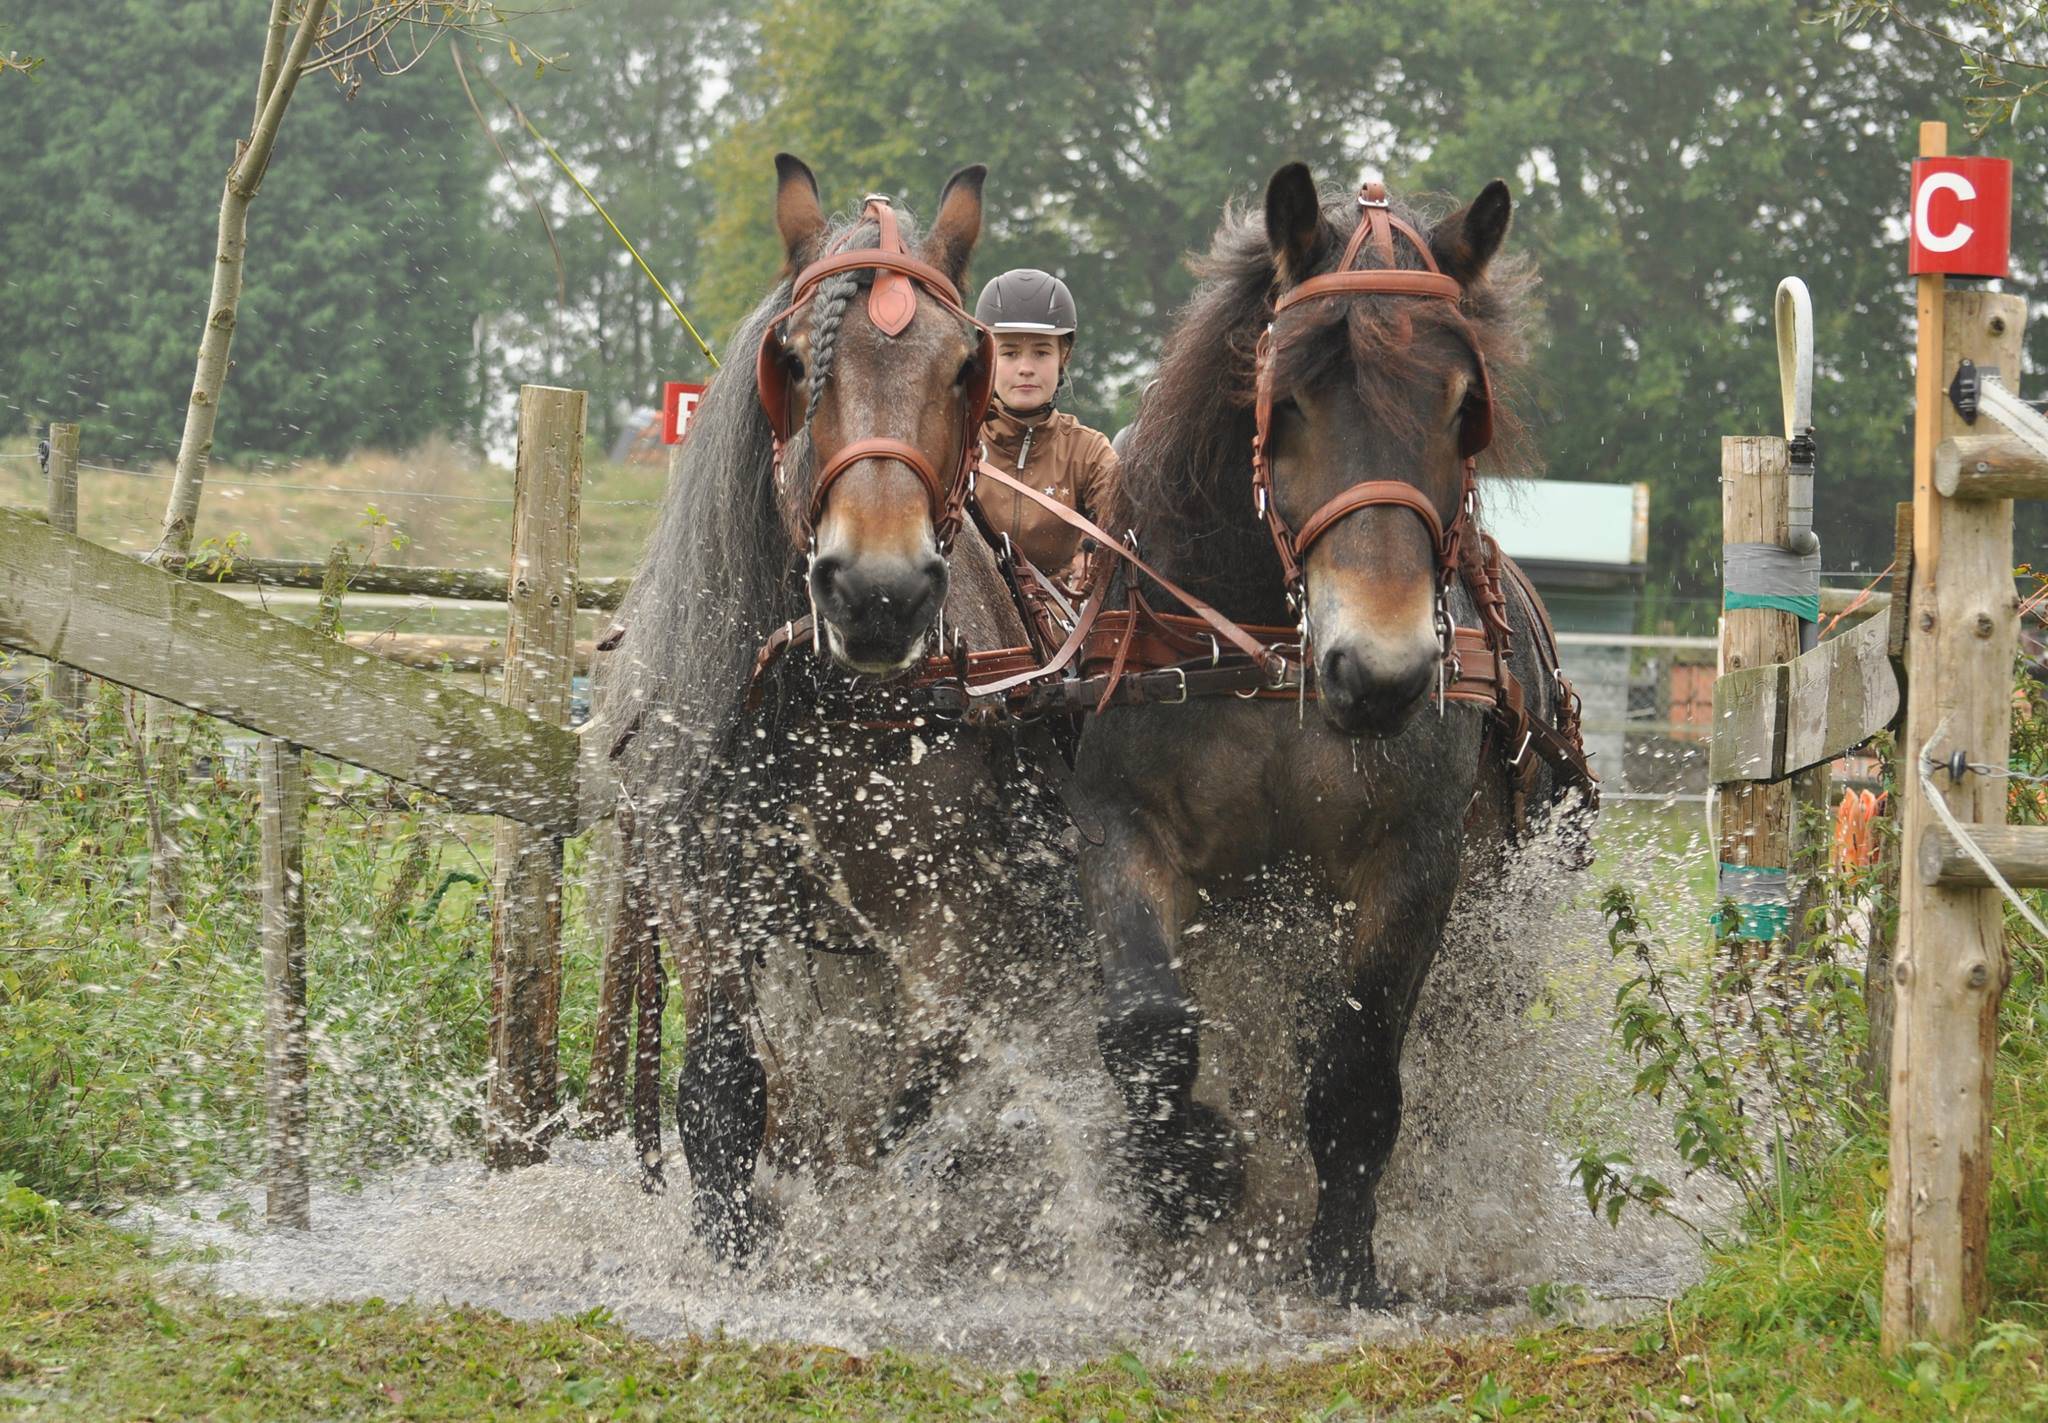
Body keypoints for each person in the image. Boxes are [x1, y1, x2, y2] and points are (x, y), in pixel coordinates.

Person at [972, 268, 1118, 588]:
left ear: (1064, 356)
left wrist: (1091, 561)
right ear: (987, 356)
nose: (1026, 368)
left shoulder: (1089, 452)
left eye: (1041, 352)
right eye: (1010, 353)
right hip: (967, 611)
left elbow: (1124, 529)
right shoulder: (957, 443)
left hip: (1059, 612)